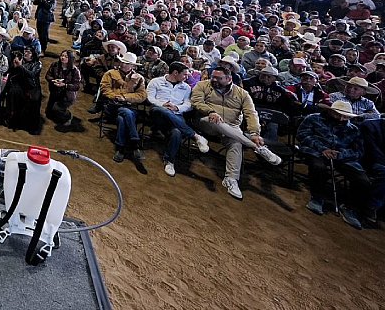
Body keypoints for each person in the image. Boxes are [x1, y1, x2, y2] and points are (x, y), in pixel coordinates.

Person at [191, 66, 282, 199]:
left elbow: (251, 114)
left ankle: (231, 179)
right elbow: (196, 102)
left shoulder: (242, 94)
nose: (214, 80)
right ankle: (257, 147)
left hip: (232, 128)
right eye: (213, 77)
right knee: (219, 123)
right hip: (206, 121)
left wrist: (255, 133)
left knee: (236, 142)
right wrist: (210, 111)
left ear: (229, 79)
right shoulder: (202, 85)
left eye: (218, 78)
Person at [297, 100, 374, 229]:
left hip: (342, 157)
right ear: (330, 111)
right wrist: (322, 149)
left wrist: (340, 154)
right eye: (338, 114)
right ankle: (317, 197)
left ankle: (350, 207)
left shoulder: (354, 130)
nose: (341, 118)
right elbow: (303, 135)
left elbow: (358, 151)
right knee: (318, 167)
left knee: (363, 181)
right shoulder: (313, 118)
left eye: (345, 116)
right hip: (316, 151)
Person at [148, 62, 210, 177]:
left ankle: (169, 161)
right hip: (158, 114)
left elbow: (188, 104)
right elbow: (150, 98)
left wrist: (177, 107)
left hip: (176, 115)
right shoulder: (156, 82)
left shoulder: (186, 87)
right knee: (164, 110)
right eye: (185, 75)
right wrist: (163, 104)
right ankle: (195, 136)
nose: (187, 77)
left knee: (176, 132)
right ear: (175, 73)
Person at [100, 52, 148, 166]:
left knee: (123, 118)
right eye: (123, 62)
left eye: (127, 63)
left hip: (129, 108)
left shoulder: (139, 78)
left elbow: (142, 96)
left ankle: (120, 148)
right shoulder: (111, 73)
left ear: (133, 66)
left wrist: (125, 97)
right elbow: (105, 89)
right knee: (126, 112)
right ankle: (135, 143)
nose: (123, 65)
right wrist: (117, 97)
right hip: (112, 106)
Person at [5, 48, 44, 135]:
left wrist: (20, 66)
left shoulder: (37, 64)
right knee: (13, 93)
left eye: (28, 52)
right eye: (25, 52)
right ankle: (13, 120)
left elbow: (31, 74)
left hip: (32, 87)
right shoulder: (21, 60)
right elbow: (12, 72)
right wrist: (14, 65)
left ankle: (33, 127)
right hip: (21, 84)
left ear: (33, 54)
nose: (26, 53)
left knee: (34, 100)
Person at [46, 49, 83, 132]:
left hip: (67, 94)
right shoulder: (55, 65)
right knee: (49, 113)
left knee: (57, 109)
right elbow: (48, 75)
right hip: (55, 91)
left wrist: (65, 85)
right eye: (62, 55)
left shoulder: (75, 71)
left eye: (66, 56)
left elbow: (76, 86)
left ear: (70, 58)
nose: (63, 58)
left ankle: (68, 116)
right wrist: (53, 80)